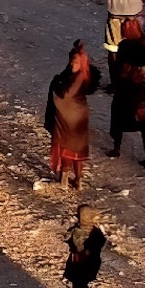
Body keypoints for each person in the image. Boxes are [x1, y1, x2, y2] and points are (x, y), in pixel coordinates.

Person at [44, 40, 100, 190]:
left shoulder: (77, 77)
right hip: (79, 116)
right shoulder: (81, 74)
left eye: (74, 62)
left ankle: (64, 178)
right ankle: (78, 179)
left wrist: (56, 85)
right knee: (78, 149)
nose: (72, 64)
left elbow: (66, 95)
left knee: (65, 148)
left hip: (69, 117)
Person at [107, 18, 145, 169]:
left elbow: (118, 68)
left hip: (127, 88)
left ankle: (116, 149)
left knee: (118, 118)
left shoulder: (125, 46)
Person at [63, 205, 109, 288]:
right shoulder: (93, 233)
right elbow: (101, 244)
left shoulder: (80, 231)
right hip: (83, 267)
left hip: (79, 266)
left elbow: (67, 239)